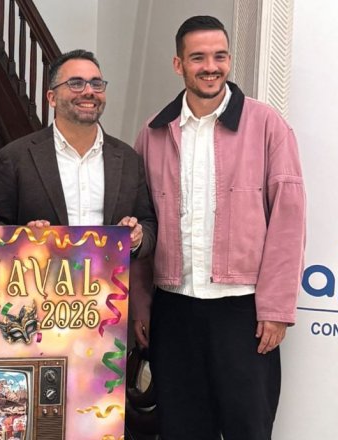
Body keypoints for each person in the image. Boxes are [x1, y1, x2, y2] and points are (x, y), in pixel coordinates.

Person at [133, 16, 306, 440]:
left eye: (220, 56)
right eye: (198, 58)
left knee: (248, 427)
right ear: (178, 64)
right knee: (181, 427)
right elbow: (142, 223)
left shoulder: (267, 125)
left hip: (242, 311)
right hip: (174, 309)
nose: (211, 67)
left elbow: (288, 221)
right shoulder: (154, 133)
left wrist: (276, 308)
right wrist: (141, 305)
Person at [0, 49, 157, 318]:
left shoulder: (127, 158)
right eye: (76, 83)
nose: (89, 91)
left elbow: (148, 224)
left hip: (108, 312)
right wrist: (23, 238)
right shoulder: (16, 157)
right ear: (52, 97)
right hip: (36, 310)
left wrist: (136, 237)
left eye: (96, 84)